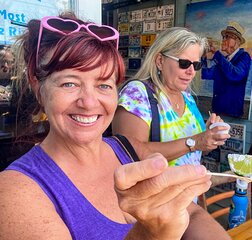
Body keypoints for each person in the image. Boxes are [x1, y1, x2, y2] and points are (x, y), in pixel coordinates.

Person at [0, 14, 230, 240]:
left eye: (104, 85)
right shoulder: (14, 193)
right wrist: (152, 235)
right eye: (69, 83)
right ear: (38, 87)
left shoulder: (125, 149)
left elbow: (194, 215)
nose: (89, 103)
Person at [112, 27, 231, 170]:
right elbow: (129, 153)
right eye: (184, 63)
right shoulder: (137, 94)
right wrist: (195, 141)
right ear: (160, 61)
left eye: (196, 65)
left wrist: (209, 135)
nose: (191, 72)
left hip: (191, 190)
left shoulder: (187, 98)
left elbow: (199, 150)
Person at [201, 21, 251, 118]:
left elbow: (235, 75)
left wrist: (217, 54)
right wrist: (203, 56)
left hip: (232, 114)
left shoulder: (244, 56)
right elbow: (205, 74)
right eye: (223, 37)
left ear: (236, 41)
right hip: (217, 113)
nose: (223, 40)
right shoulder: (224, 60)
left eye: (227, 37)